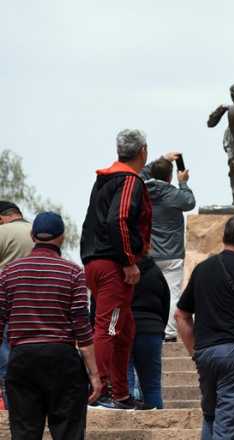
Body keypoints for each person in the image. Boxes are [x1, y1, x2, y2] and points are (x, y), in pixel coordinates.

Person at [0, 212, 102, 438]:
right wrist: (95, 375)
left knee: (24, 433)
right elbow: (82, 328)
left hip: (22, 359)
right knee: (69, 433)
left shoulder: (8, 273)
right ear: (62, 238)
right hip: (62, 360)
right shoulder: (73, 272)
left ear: (32, 235)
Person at [175, 215, 234, 439]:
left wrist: (195, 352)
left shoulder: (202, 270)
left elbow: (181, 315)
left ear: (224, 237)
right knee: (228, 426)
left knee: (211, 416)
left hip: (206, 353)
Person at [81, 128, 153, 410]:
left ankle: (121, 393)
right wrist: (128, 261)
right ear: (143, 152)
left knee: (124, 328)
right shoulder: (128, 180)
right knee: (109, 326)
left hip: (97, 261)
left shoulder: (105, 179)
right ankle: (105, 390)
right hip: (112, 264)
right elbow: (119, 220)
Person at [141, 153, 196, 343]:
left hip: (148, 255)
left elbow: (138, 173)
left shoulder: (141, 191)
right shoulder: (175, 194)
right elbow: (190, 201)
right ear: (170, 177)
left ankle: (146, 329)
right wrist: (184, 182)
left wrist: (162, 158)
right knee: (173, 294)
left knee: (148, 293)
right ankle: (170, 334)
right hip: (172, 255)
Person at [0, 201, 34, 406]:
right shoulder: (37, 231)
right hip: (37, 302)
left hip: (6, 298)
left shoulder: (2, 232)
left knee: (4, 349)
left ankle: (8, 399)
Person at [126, 257, 170, 409]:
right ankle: (158, 424)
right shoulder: (156, 271)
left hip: (123, 327)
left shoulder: (119, 269)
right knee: (152, 386)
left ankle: (127, 424)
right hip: (151, 330)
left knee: (125, 385)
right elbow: (166, 301)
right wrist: (159, 328)